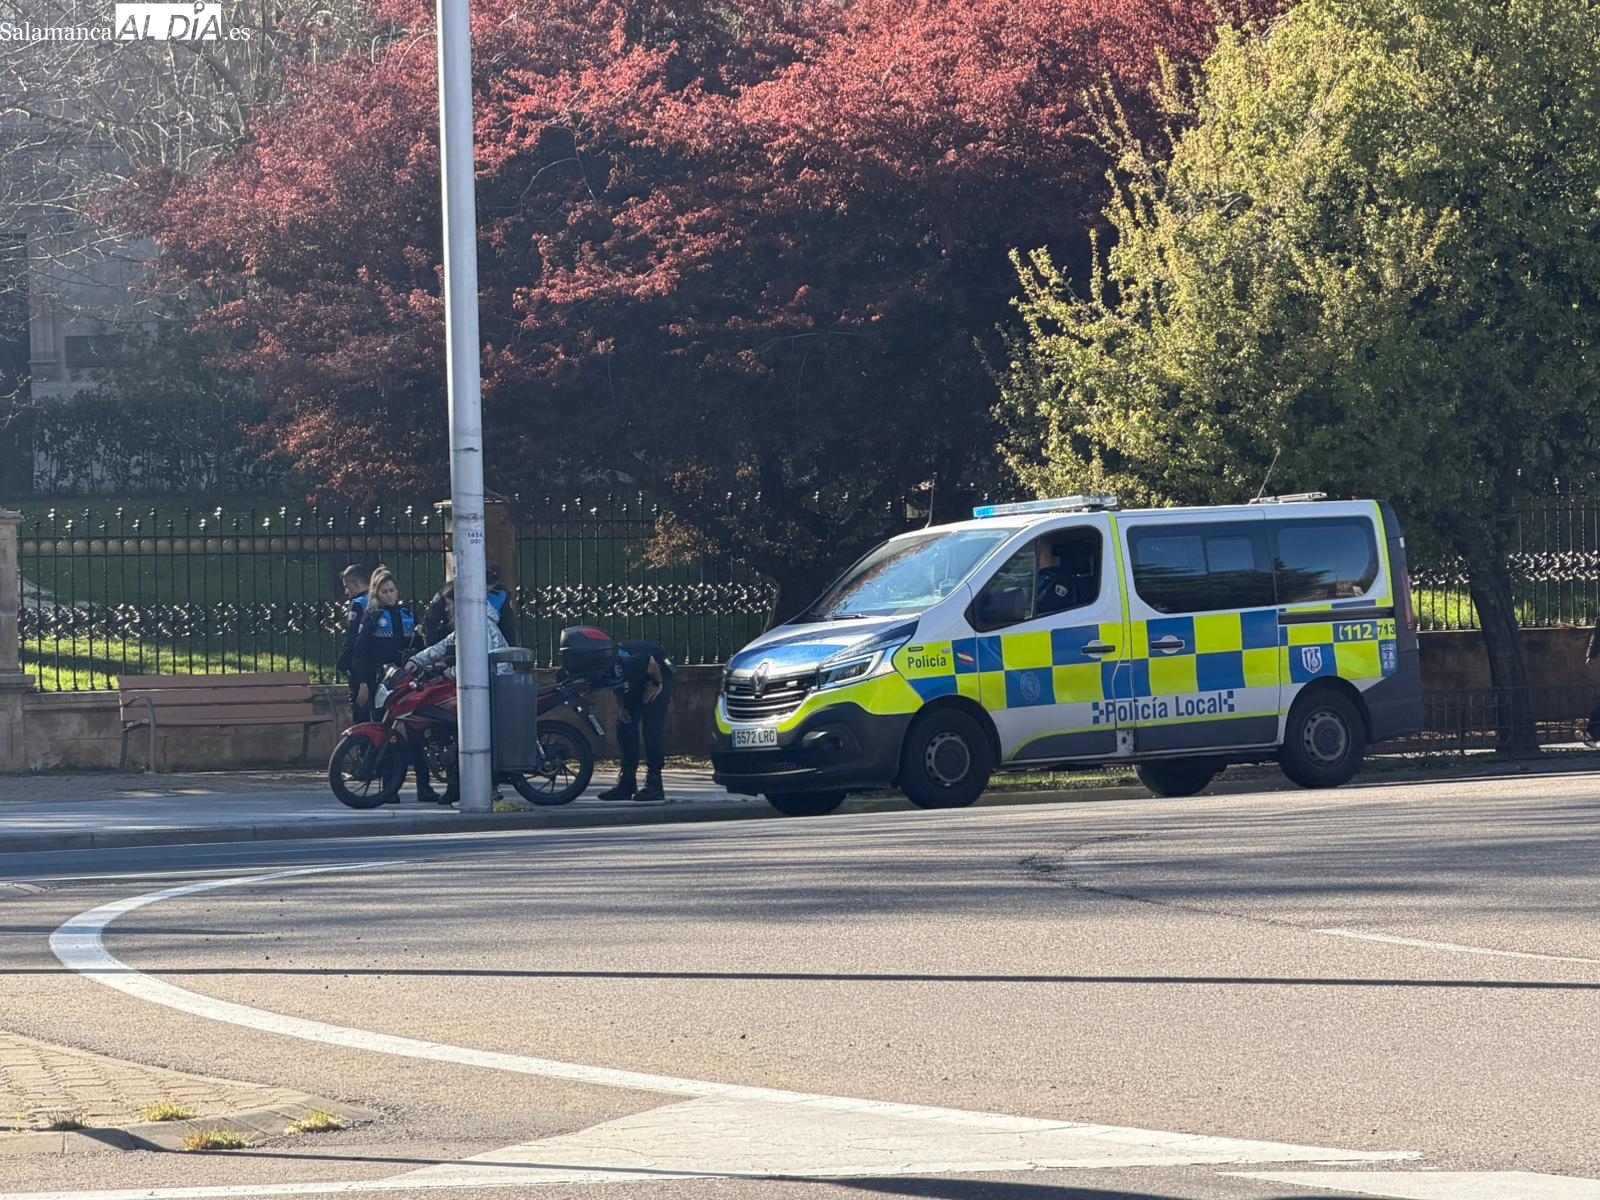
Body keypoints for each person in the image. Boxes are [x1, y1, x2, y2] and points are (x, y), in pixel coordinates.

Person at [352, 567, 437, 802]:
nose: (390, 595)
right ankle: (389, 785)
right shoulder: (372, 617)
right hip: (383, 680)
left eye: (392, 590)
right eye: (384, 591)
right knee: (384, 729)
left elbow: (422, 646)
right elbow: (360, 654)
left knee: (415, 730)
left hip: (408, 679)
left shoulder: (408, 613)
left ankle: (424, 785)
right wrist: (362, 684)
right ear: (376, 594)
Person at [596, 637, 675, 803]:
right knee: (625, 724)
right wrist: (621, 707)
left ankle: (654, 784)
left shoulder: (620, 660)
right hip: (637, 677)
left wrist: (656, 684)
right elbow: (615, 683)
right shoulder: (601, 666)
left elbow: (650, 662)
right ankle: (627, 783)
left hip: (658, 671)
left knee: (652, 727)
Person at [406, 583, 508, 678]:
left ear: (459, 604)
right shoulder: (471, 625)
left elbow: (477, 668)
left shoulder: (480, 627)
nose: (446, 609)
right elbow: (441, 646)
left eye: (449, 604)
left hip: (496, 688)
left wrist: (448, 672)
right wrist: (416, 660)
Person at [421, 565, 517, 647]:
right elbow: (430, 620)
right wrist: (432, 649)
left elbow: (508, 628)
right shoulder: (451, 590)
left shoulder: (501, 595)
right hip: (454, 643)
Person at [335, 564, 371, 722]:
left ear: (356, 584)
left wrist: (343, 662)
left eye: (347, 587)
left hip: (359, 667)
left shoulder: (358, 604)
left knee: (360, 714)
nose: (346, 592)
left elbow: (352, 637)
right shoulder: (378, 600)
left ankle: (363, 747)